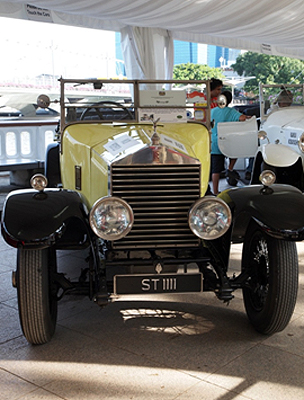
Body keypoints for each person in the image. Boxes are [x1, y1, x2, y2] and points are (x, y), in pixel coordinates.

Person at [210, 90, 247, 195]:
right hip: (229, 142)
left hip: (215, 143)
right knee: (235, 153)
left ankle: (216, 191)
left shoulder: (212, 111)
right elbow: (242, 118)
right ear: (230, 101)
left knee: (215, 170)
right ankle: (230, 168)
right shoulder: (231, 111)